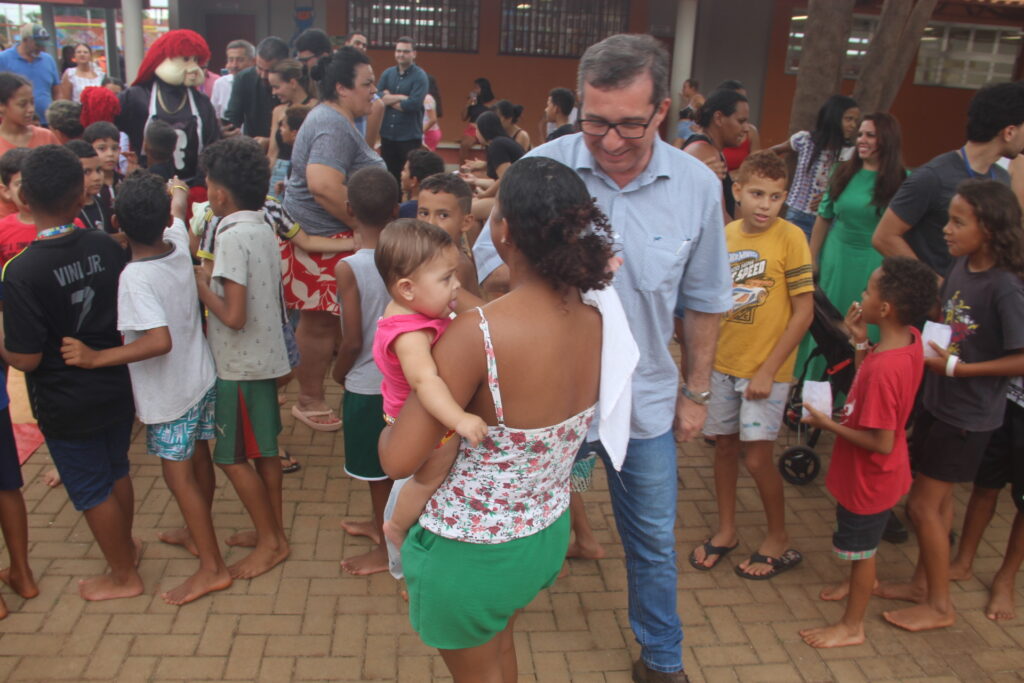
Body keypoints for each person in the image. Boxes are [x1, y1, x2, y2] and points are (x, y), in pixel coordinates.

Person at [472, 34, 732, 681]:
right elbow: (486, 263)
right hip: (549, 407)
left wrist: (696, 393)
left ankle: (662, 659)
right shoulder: (546, 166)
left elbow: (704, 301)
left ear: (663, 110)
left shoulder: (698, 186)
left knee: (651, 540)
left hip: (642, 408)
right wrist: (558, 275)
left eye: (628, 125)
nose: (610, 140)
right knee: (520, 521)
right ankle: (492, 633)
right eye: (595, 122)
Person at [381, 156, 620, 681]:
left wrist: (389, 416)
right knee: (501, 651)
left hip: (470, 552)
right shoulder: (595, 319)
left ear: (504, 229)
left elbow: (399, 460)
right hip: (541, 535)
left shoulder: (479, 334)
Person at [60, 172, 232, 606]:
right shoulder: (175, 237)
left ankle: (212, 567)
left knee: (179, 479)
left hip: (170, 394)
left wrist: (95, 358)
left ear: (117, 221)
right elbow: (177, 204)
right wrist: (174, 187)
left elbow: (158, 341)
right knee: (198, 459)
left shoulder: (134, 280)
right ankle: (199, 533)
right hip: (200, 375)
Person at [876, 179, 1024, 632]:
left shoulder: (1005, 287)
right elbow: (954, 319)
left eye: (959, 222)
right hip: (941, 403)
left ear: (991, 228)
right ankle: (923, 585)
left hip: (969, 414)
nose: (946, 229)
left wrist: (959, 370)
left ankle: (940, 606)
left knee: (921, 506)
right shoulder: (963, 264)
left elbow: (1020, 356)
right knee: (936, 505)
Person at [0, 144, 139, 601]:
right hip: (115, 384)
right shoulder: (104, 244)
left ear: (23, 201)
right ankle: (127, 549)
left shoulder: (20, 271)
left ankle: (123, 574)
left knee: (90, 486)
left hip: (64, 399)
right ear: (81, 193)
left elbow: (26, 359)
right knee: (116, 468)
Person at [799, 257, 937, 648]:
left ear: (887, 308)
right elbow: (866, 380)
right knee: (863, 548)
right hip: (884, 475)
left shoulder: (885, 370)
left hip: (869, 479)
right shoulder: (908, 339)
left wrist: (828, 426)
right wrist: (859, 339)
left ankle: (851, 626)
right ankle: (859, 578)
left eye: (868, 290)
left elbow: (882, 441)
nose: (862, 295)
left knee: (861, 551)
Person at [689, 151, 813, 579]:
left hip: (767, 372)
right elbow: (712, 303)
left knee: (759, 459)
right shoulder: (725, 237)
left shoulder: (791, 238)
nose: (765, 204)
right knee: (723, 447)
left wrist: (767, 370)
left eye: (776, 196)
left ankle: (778, 536)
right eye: (757, 193)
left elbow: (804, 312)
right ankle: (726, 531)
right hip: (724, 365)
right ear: (737, 191)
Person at [192, 137, 291, 579]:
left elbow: (232, 315)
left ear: (217, 194)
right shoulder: (262, 228)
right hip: (265, 359)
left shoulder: (231, 236)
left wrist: (199, 284)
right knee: (266, 452)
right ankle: (273, 530)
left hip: (239, 366)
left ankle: (270, 542)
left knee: (231, 458)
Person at [282, 47, 385, 432]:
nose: (374, 90)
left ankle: (313, 394)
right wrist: (363, 229)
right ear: (342, 88)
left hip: (327, 237)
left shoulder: (338, 120)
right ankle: (309, 399)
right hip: (325, 238)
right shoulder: (333, 124)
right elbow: (323, 186)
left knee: (325, 323)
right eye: (367, 83)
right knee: (319, 324)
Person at [374, 218, 488, 550]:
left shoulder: (410, 309)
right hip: (418, 421)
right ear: (407, 288)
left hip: (404, 414)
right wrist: (459, 419)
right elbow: (425, 381)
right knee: (429, 479)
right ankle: (396, 526)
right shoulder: (411, 335)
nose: (456, 285)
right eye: (445, 278)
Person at [872, 82, 1024, 276]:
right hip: (930, 301)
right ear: (1009, 132)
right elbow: (884, 237)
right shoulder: (933, 176)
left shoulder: (1001, 180)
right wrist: (934, 285)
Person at [331, 166, 401, 574]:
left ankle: (386, 550)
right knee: (394, 467)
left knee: (378, 475)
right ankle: (381, 528)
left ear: (349, 210)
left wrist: (339, 374)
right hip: (402, 383)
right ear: (395, 209)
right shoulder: (404, 256)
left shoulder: (349, 267)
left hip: (367, 385)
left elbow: (353, 339)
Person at [801, 113, 906, 380]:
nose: (862, 140)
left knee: (864, 325)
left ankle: (852, 394)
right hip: (837, 257)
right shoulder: (842, 171)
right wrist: (813, 258)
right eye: (860, 134)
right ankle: (815, 389)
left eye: (870, 135)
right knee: (827, 323)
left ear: (887, 140)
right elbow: (824, 216)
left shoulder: (902, 180)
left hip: (874, 262)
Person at [768, 95, 859, 239]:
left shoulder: (850, 153)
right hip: (797, 214)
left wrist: (830, 196)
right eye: (849, 119)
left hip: (827, 219)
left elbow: (852, 186)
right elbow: (774, 151)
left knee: (816, 260)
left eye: (855, 120)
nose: (853, 125)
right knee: (794, 257)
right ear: (833, 117)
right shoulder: (805, 140)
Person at [683, 88, 750, 220]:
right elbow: (718, 218)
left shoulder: (711, 150)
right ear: (718, 118)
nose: (746, 128)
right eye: (741, 121)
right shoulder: (705, 152)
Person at [416, 172, 480, 298]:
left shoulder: (456, 266)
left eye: (443, 215)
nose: (430, 223)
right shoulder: (429, 258)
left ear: (466, 222)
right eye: (424, 213)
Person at [376, 37, 429, 183]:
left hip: (409, 137)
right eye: (398, 51)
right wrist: (400, 97)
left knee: (409, 177)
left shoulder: (420, 76)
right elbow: (377, 97)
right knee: (389, 177)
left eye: (406, 51)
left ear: (414, 54)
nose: (401, 54)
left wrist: (389, 99)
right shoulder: (388, 73)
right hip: (387, 136)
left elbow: (413, 104)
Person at [266, 59, 318, 195]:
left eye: (277, 87)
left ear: (293, 83)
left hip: (305, 174)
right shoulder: (278, 111)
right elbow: (272, 153)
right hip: (278, 171)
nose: (273, 92)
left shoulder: (317, 109)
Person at [223, 36, 288, 141]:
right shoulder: (244, 78)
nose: (263, 75)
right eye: (259, 68)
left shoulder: (296, 79)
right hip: (254, 146)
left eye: (270, 71)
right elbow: (233, 118)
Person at [0, 74, 58, 185]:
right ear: (2, 106)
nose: (31, 109)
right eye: (22, 104)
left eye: (32, 102)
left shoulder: (46, 136)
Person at [0, 24, 60, 126]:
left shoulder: (48, 59)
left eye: (43, 45)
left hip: (47, 122)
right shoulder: (4, 59)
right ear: (25, 40)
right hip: (16, 123)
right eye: (37, 45)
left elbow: (57, 91)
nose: (42, 49)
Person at [66, 139, 112, 234]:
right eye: (87, 172)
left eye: (99, 170)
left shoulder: (101, 202)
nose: (96, 178)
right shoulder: (68, 211)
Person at [0, 148, 36, 264]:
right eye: (20, 184)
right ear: (6, 191)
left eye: (34, 181)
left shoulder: (66, 222)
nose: (29, 189)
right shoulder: (2, 230)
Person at [83, 121, 123, 220]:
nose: (110, 154)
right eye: (102, 148)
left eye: (114, 148)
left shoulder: (124, 181)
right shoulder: (89, 187)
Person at [210, 40, 255, 120]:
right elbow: (213, 117)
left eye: (240, 60)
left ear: (252, 62)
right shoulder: (220, 84)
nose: (234, 65)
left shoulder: (259, 83)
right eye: (230, 60)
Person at [399, 148, 445, 218]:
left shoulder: (401, 211)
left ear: (413, 181)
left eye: (404, 170)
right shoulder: (443, 207)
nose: (401, 173)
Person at [459, 77, 494, 164]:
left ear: (484, 89)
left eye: (477, 88)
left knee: (492, 146)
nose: (474, 90)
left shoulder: (493, 102)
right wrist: (468, 104)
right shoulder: (474, 101)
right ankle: (463, 168)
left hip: (486, 129)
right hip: (473, 128)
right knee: (464, 145)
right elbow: (463, 117)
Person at [422, 75, 442, 151]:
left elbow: (433, 119)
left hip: (429, 133)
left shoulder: (427, 98)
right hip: (428, 131)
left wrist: (420, 132)